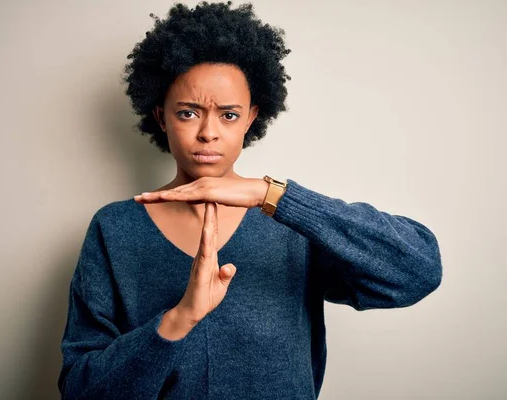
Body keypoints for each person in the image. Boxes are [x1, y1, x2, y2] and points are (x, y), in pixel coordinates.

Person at [57, 2, 443, 399]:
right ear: (161, 116)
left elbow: (419, 270)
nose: (208, 132)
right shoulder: (115, 229)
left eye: (228, 115)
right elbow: (81, 388)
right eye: (189, 113)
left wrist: (271, 195)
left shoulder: (292, 224)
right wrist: (178, 320)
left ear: (251, 118)